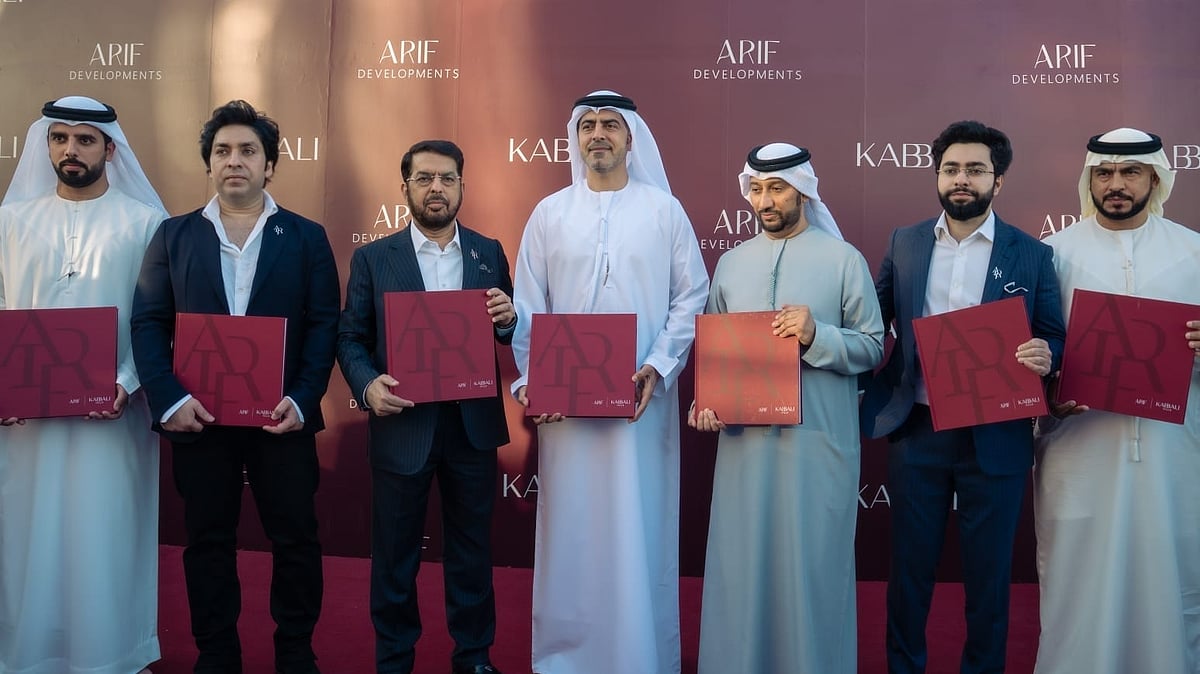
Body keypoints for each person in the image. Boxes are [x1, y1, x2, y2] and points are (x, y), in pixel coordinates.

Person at [130, 100, 340, 674]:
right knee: (208, 542)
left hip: (282, 419)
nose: (234, 161)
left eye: (248, 150)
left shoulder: (307, 237)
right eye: (222, 151)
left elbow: (324, 325)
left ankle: (295, 651)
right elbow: (148, 323)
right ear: (209, 164)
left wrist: (303, 398)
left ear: (269, 165)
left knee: (296, 540)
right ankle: (217, 654)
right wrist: (170, 400)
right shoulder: (173, 236)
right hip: (199, 419)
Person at [509, 90, 709, 674]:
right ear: (576, 137)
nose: (598, 134)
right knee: (571, 531)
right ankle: (565, 660)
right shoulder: (549, 213)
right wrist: (534, 383)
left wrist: (658, 367)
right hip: (565, 412)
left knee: (637, 525)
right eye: (588, 124)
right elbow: (528, 306)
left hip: (640, 406)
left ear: (631, 138)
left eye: (611, 125)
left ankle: (639, 657)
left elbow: (691, 295)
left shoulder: (664, 211)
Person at [859, 120, 1066, 674]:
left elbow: (1054, 335)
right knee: (908, 575)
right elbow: (871, 322)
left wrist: (1046, 354)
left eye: (975, 169)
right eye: (951, 168)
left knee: (988, 580)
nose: (961, 179)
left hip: (995, 434)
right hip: (917, 429)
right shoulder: (904, 242)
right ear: (936, 175)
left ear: (998, 181)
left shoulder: (1032, 254)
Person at [689, 143, 884, 673]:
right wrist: (708, 403)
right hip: (744, 451)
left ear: (803, 191)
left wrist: (818, 334)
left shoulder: (843, 259)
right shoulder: (731, 263)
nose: (765, 200)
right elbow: (715, 353)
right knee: (742, 570)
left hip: (817, 448)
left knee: (812, 571)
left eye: (777, 188)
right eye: (756, 189)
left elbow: (872, 346)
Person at [0, 95, 165, 674]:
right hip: (24, 422)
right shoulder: (11, 221)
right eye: (60, 138)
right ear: (47, 145)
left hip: (113, 413)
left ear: (110, 149)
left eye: (85, 139)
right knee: (28, 534)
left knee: (105, 531)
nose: (71, 149)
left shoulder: (145, 223)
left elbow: (157, 319)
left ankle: (113, 654)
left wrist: (126, 381)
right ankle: (29, 655)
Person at [337, 139, 514, 674]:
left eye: (447, 179)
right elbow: (350, 337)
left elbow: (507, 332)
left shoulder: (489, 252)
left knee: (471, 553)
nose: (436, 188)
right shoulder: (373, 258)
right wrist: (367, 385)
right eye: (424, 178)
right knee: (395, 557)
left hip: (471, 429)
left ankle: (474, 658)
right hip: (403, 426)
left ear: (462, 186)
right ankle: (394, 661)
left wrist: (509, 319)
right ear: (405, 188)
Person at [1032, 127, 1199, 674]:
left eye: (1130, 172)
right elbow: (1038, 353)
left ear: (1156, 178)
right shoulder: (1053, 254)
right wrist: (1049, 395)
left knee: (1172, 576)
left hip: (1175, 453)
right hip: (1079, 451)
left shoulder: (1194, 252)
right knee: (1078, 578)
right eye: (1103, 173)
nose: (1116, 184)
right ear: (1089, 180)